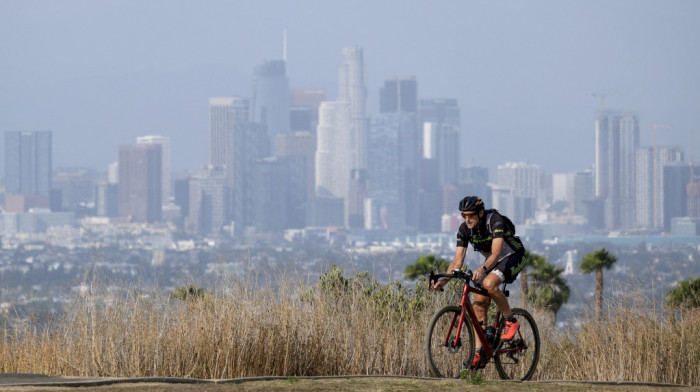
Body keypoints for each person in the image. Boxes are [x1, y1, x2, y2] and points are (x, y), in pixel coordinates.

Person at [432, 196, 526, 369]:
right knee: (479, 303)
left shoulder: (494, 221)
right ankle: (479, 352)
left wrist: (482, 269)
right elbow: (457, 261)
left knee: (489, 284)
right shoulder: (464, 229)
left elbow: (497, 253)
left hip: (512, 256)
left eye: (471, 215)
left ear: (480, 213)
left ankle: (510, 320)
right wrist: (444, 280)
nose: (467, 219)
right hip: (492, 262)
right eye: (464, 215)